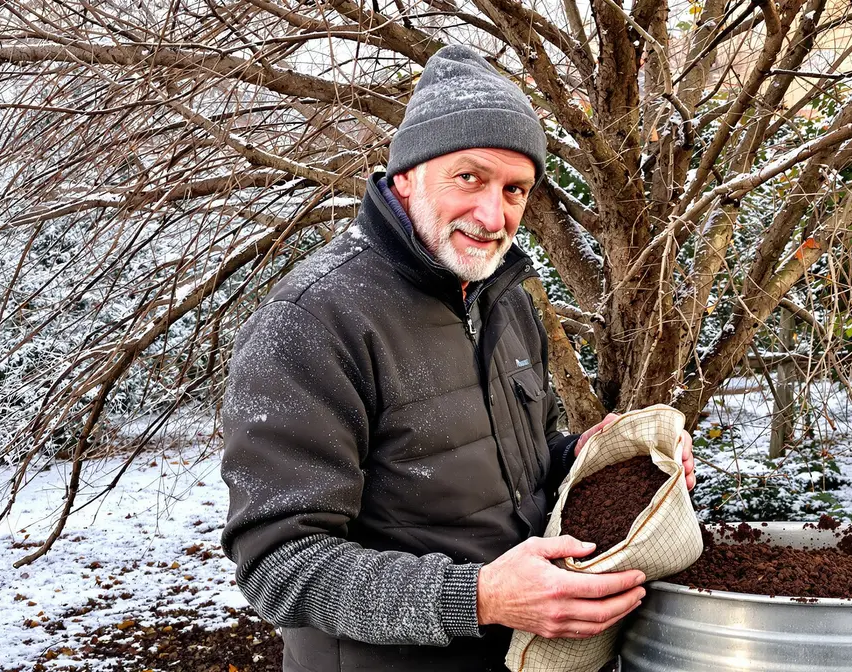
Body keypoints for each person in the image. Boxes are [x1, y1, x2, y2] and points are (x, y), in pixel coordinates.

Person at [220, 44, 696, 672]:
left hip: (521, 655)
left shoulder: (504, 300)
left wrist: (589, 457)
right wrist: (477, 598)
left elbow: (513, 465)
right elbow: (281, 565)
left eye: (516, 189)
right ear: (406, 176)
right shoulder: (313, 321)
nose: (493, 214)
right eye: (469, 177)